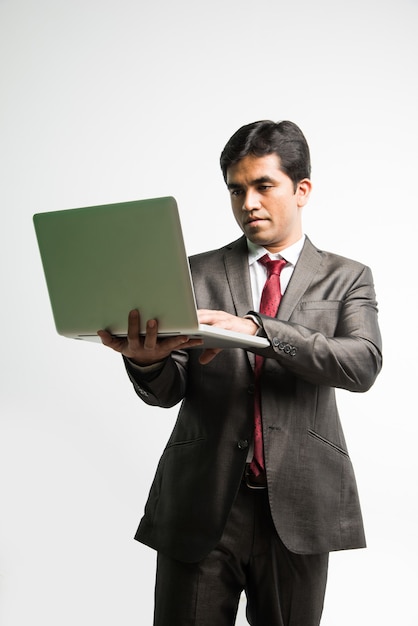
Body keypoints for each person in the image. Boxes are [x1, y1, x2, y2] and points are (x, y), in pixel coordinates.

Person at [98, 120, 382, 626]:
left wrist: (257, 328)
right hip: (202, 501)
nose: (247, 202)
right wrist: (147, 360)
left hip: (299, 504)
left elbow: (361, 363)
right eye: (236, 189)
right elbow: (168, 391)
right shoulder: (195, 272)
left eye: (262, 186)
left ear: (302, 190)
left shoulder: (347, 277)